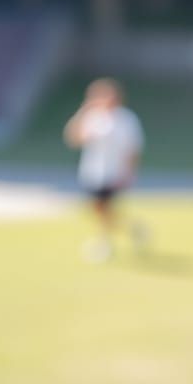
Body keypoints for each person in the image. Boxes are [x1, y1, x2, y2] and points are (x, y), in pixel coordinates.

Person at [63, 76, 147, 262]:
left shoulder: (126, 119)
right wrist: (83, 111)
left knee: (104, 208)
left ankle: (105, 243)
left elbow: (133, 148)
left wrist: (129, 173)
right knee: (98, 209)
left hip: (114, 172)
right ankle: (133, 228)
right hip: (93, 171)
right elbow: (73, 138)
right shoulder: (93, 118)